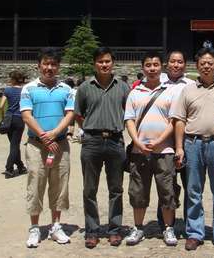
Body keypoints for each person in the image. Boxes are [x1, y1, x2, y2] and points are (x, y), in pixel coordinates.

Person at [171, 47, 214, 252]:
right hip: (193, 144)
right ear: (197, 66)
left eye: (210, 63)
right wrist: (179, 147)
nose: (206, 66)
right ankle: (195, 233)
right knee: (193, 191)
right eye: (202, 63)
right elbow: (180, 120)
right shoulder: (187, 90)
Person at [75, 46, 130, 248]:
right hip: (92, 141)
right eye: (100, 61)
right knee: (90, 189)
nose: (104, 64)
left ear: (112, 63)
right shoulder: (84, 87)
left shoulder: (123, 87)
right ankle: (92, 231)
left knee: (116, 188)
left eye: (107, 61)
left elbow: (130, 113)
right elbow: (78, 114)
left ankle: (114, 229)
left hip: (115, 140)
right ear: (94, 64)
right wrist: (91, 128)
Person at [21, 47, 74, 248]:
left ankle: (56, 225)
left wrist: (55, 133)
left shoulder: (67, 90)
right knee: (35, 184)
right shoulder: (28, 89)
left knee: (59, 184)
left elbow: (70, 114)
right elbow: (27, 116)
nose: (49, 68)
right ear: (39, 66)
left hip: (60, 144)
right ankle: (34, 227)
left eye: (53, 64)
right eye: (46, 64)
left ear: (58, 67)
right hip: (36, 145)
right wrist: (45, 137)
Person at [124, 51, 178, 247]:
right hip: (140, 151)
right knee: (138, 190)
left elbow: (174, 121)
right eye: (148, 65)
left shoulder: (170, 91)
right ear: (143, 68)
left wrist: (159, 141)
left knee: (167, 190)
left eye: (155, 65)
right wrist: (138, 142)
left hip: (165, 151)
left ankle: (168, 228)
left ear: (161, 67)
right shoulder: (134, 92)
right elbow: (129, 120)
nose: (152, 68)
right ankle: (138, 227)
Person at [155, 50, 194, 232]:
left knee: (190, 184)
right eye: (172, 61)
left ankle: (190, 223)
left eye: (180, 62)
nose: (176, 65)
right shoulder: (158, 83)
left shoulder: (192, 85)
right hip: (164, 141)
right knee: (166, 183)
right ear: (166, 64)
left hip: (188, 140)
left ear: (185, 64)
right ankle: (165, 223)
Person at [0, 70, 28, 179]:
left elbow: (1, 106)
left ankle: (15, 167)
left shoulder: (7, 90)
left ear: (13, 79)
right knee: (15, 145)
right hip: (19, 118)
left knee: (13, 144)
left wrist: (3, 117)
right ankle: (12, 168)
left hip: (9, 118)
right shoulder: (24, 90)